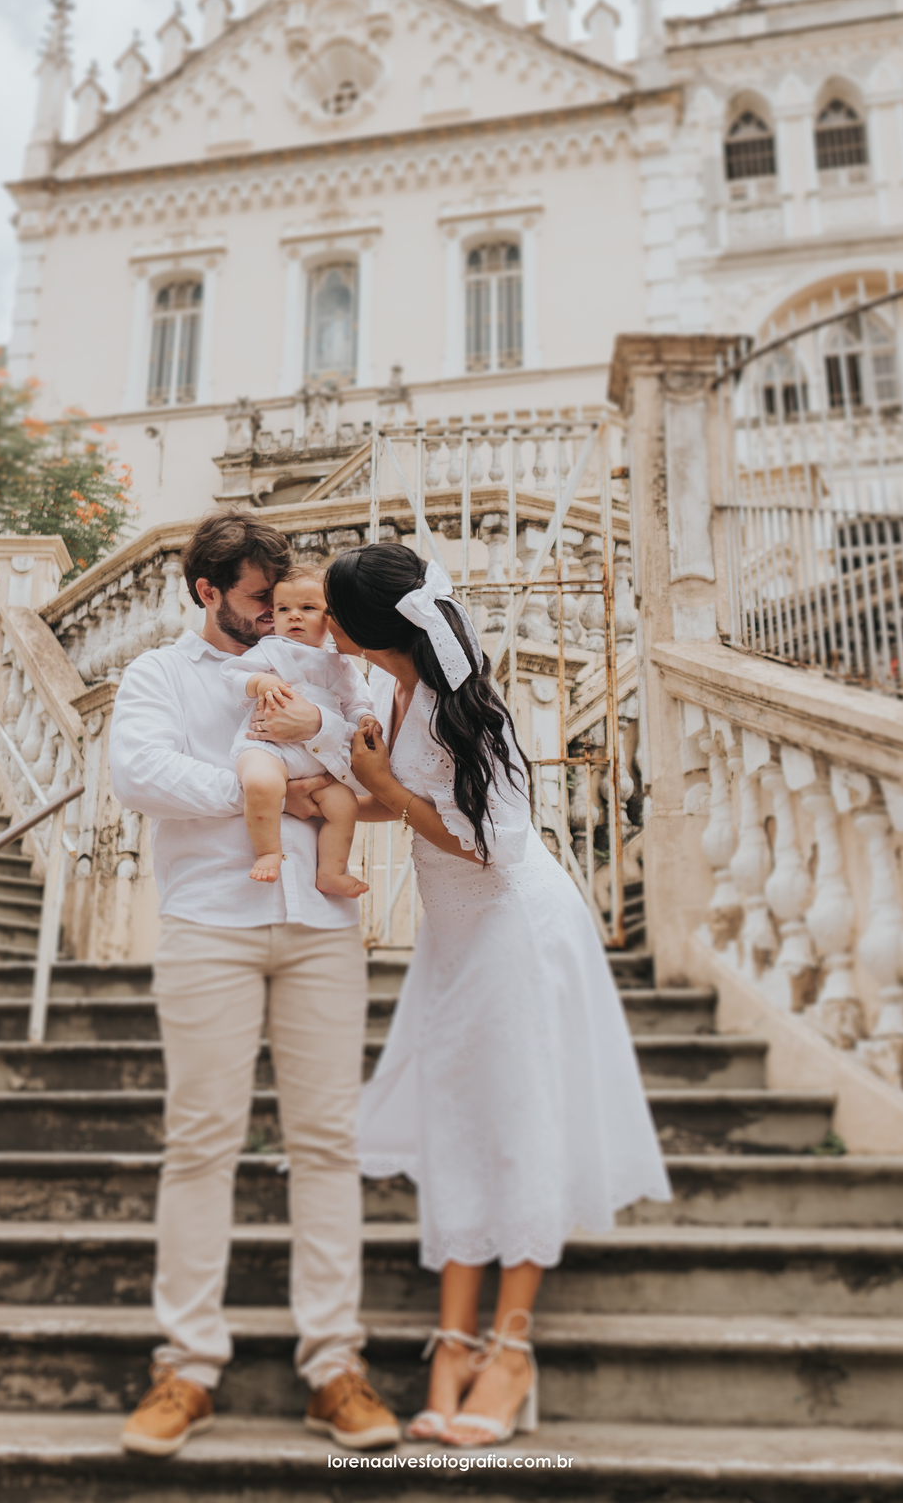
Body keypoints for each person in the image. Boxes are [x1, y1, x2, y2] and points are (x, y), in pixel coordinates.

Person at [323, 542, 671, 1449]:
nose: (322, 626)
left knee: (521, 1125)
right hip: (456, 938)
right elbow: (400, 798)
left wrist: (383, 787)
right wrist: (320, 795)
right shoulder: (395, 693)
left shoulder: (463, 709)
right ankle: (452, 1342)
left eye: (331, 614)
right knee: (456, 1123)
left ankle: (508, 1350)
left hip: (517, 930)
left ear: (363, 631)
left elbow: (493, 843)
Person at [110, 510, 400, 1459]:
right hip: (209, 924)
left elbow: (378, 771)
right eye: (259, 599)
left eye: (287, 598)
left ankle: (334, 1366)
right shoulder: (159, 674)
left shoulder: (331, 670)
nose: (281, 614)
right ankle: (188, 1367)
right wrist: (265, 790)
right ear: (208, 592)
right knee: (201, 1142)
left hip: (322, 928)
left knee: (329, 1144)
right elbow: (139, 774)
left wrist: (324, 743)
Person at [224, 565, 376, 897]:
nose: (294, 616)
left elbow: (356, 702)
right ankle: (268, 851)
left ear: (329, 618)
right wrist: (259, 682)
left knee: (344, 805)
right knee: (261, 783)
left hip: (319, 762)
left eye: (307, 608)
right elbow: (233, 676)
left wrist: (364, 718)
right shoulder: (268, 651)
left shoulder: (341, 665)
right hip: (269, 748)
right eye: (283, 609)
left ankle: (331, 871)